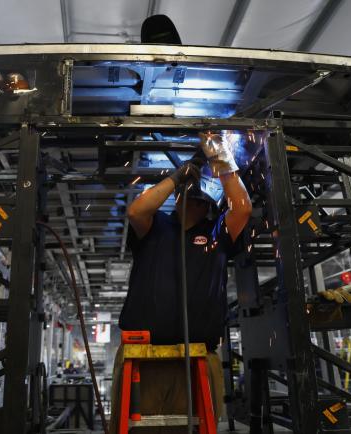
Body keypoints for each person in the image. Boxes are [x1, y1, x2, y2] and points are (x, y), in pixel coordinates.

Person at [109, 131, 252, 433]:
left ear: (207, 205)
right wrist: (178, 176)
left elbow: (242, 208)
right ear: (174, 200)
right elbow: (136, 209)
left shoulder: (217, 233)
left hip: (199, 353)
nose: (189, 198)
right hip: (144, 355)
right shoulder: (155, 226)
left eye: (196, 196)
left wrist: (221, 158)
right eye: (183, 194)